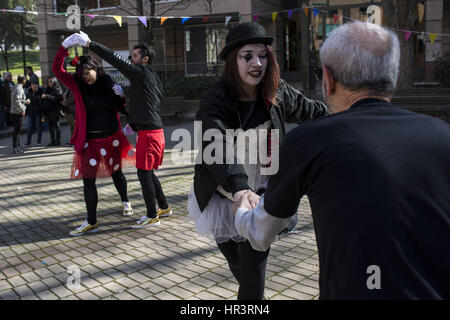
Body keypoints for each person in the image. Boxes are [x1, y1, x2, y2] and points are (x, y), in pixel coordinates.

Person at [233, 22, 450, 299]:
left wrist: (240, 209)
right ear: (391, 79)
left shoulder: (308, 141)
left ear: (328, 79)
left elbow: (260, 232)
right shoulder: (442, 135)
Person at [187, 22, 329, 300]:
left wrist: (347, 118)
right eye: (247, 56)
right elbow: (217, 144)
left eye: (263, 55)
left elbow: (312, 111)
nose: (257, 63)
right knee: (239, 265)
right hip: (223, 193)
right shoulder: (216, 99)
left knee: (253, 274)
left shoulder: (277, 91)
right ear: (232, 60)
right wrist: (239, 188)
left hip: (262, 195)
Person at [67, 31, 172, 229]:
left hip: (150, 134)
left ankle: (152, 215)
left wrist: (90, 43)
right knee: (148, 173)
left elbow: (114, 59)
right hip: (150, 131)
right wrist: (133, 123)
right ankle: (164, 207)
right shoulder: (150, 77)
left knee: (144, 174)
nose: (131, 59)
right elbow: (149, 103)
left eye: (134, 56)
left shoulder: (141, 72)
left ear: (145, 59)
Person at [52, 35, 137, 236]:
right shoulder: (77, 85)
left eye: (87, 72)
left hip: (111, 138)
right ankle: (91, 220)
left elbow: (121, 106)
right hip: (89, 141)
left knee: (116, 173)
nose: (85, 76)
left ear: (95, 68)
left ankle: (125, 201)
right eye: (81, 74)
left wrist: (121, 96)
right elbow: (57, 69)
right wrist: (64, 46)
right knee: (88, 180)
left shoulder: (108, 83)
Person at [41, 76, 63, 146]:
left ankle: (58, 141)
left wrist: (47, 96)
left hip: (55, 110)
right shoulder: (47, 89)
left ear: (54, 82)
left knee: (56, 126)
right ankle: (52, 140)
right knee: (50, 127)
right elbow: (44, 100)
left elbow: (57, 99)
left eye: (51, 81)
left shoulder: (58, 89)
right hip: (48, 111)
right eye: (48, 81)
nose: (49, 83)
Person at [10, 75, 28, 153]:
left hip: (14, 112)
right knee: (17, 131)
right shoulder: (19, 89)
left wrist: (25, 102)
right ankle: (15, 147)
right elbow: (17, 101)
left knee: (17, 131)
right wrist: (22, 109)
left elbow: (19, 100)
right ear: (23, 80)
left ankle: (18, 146)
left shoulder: (15, 87)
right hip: (17, 112)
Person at [25, 80, 43, 146]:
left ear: (37, 85)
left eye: (35, 84)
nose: (34, 86)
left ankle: (39, 141)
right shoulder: (29, 92)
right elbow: (26, 101)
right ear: (31, 85)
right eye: (33, 84)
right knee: (29, 127)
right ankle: (28, 141)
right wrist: (26, 101)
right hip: (30, 112)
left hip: (38, 113)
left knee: (39, 127)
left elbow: (42, 103)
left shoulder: (40, 92)